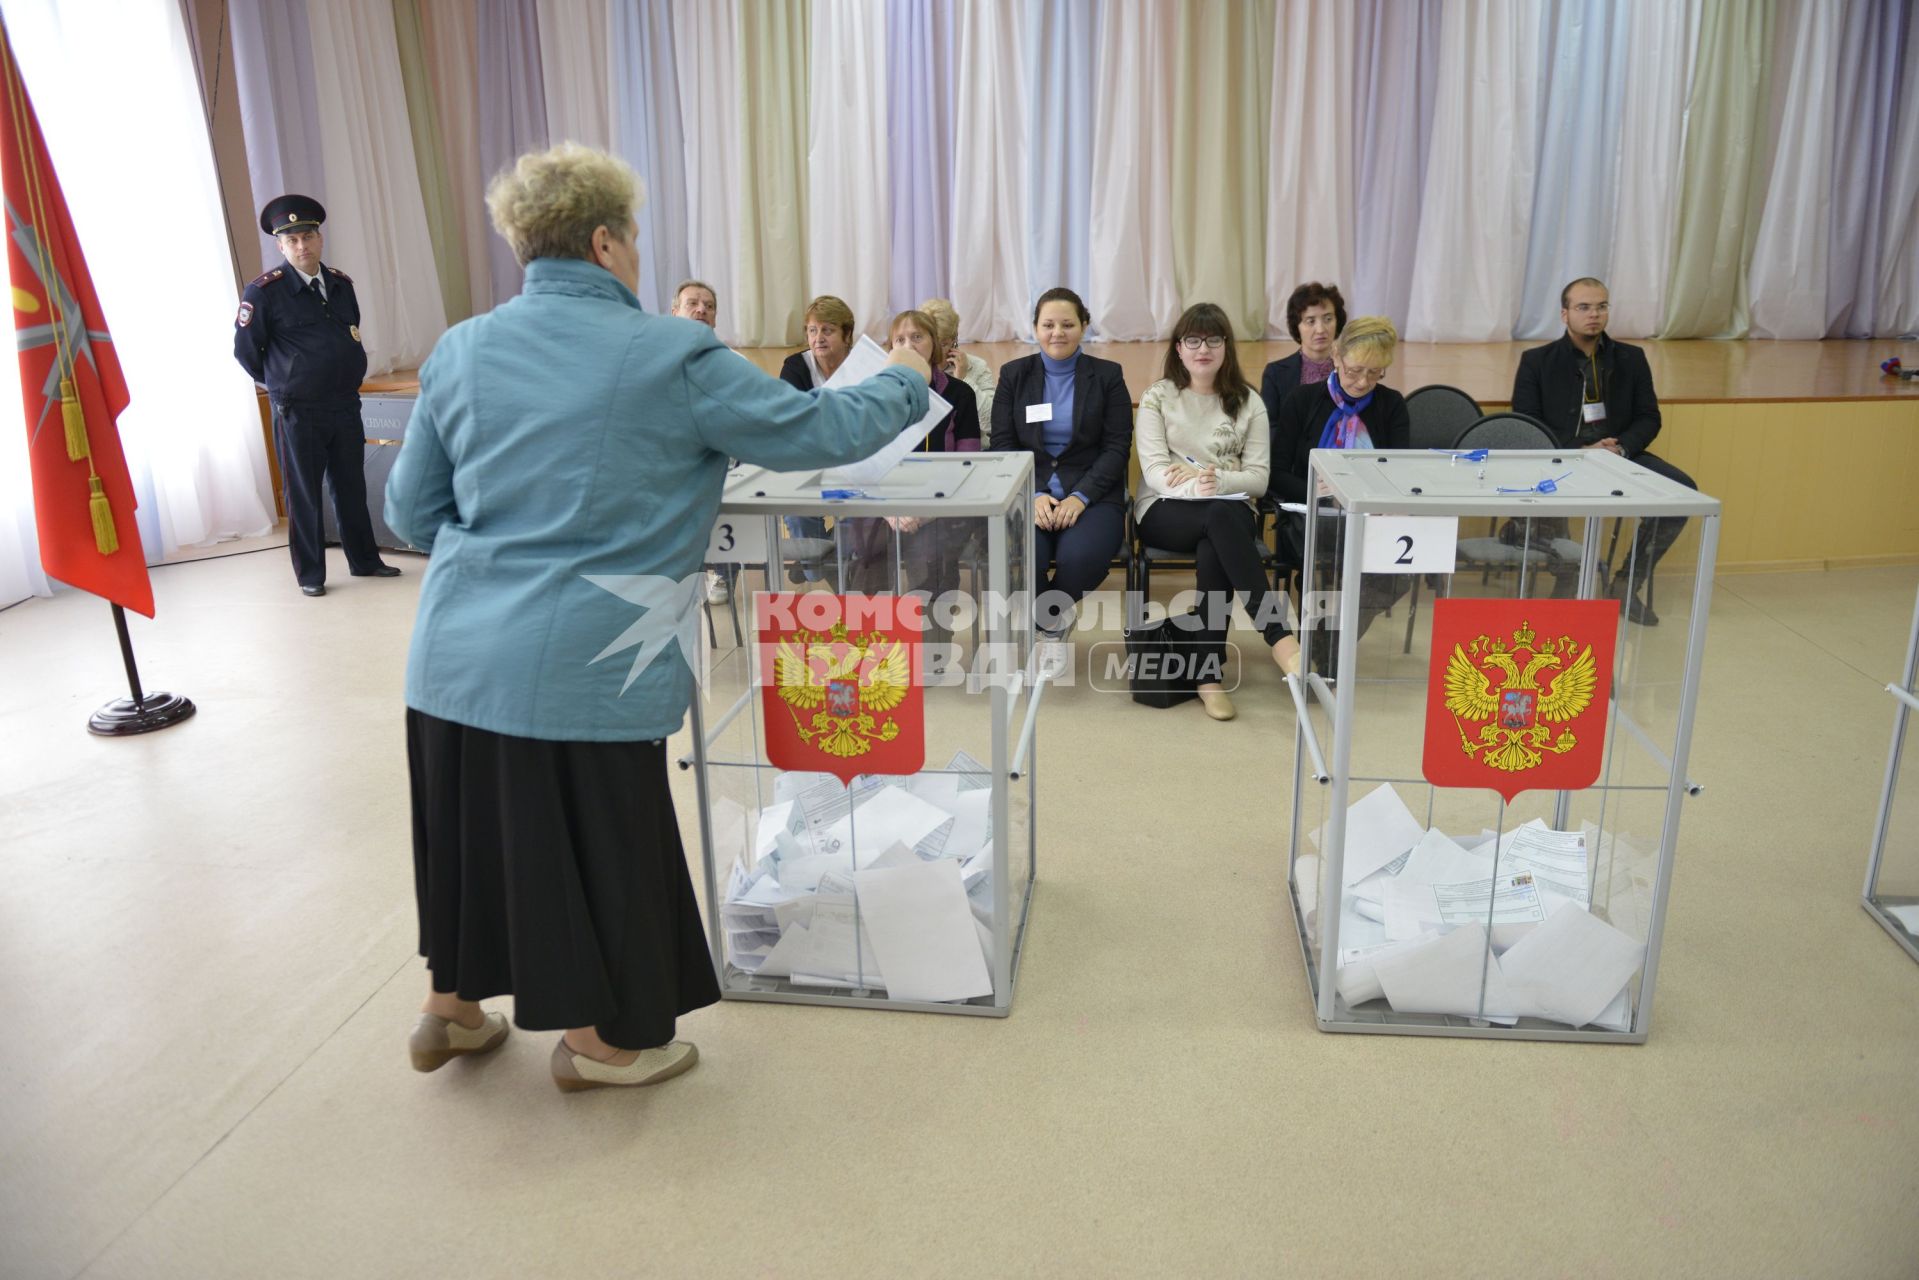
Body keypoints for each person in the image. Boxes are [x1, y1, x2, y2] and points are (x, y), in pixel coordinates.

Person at [384, 144, 930, 1092]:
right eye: (631, 237)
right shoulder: (672, 352)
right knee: (602, 845)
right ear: (605, 242)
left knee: (473, 827)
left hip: (452, 654)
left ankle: (454, 1006)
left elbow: (407, 513)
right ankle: (600, 1044)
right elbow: (820, 433)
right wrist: (909, 375)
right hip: (586, 662)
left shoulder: (461, 346)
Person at [1134, 303, 1298, 722]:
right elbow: (1155, 473)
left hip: (1229, 508)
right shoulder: (1158, 398)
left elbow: (1258, 479)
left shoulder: (1248, 403)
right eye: (1192, 340)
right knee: (1218, 522)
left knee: (1216, 541)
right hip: (1165, 509)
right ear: (1179, 347)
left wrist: (1217, 482)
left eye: (1213, 339)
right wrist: (1200, 482)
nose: (1202, 348)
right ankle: (1279, 638)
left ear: (1226, 346)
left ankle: (1208, 676)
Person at [233, 195, 401, 597]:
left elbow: (350, 332)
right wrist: (283, 384)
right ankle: (310, 574)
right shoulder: (263, 293)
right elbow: (244, 351)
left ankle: (364, 560)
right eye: (291, 241)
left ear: (320, 238)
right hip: (298, 411)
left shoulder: (341, 285)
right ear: (280, 246)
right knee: (305, 495)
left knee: (350, 486)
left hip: (344, 404)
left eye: (307, 236)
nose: (301, 246)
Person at [1512, 277, 1697, 625]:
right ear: (1564, 314)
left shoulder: (1631, 358)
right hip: (1561, 457)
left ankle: (1627, 585)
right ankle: (1567, 581)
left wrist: (1623, 448)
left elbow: (1648, 417)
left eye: (1601, 306)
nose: (1594, 314)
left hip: (1618, 455)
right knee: (1546, 497)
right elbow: (1527, 422)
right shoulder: (1537, 361)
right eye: (1584, 307)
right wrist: (1581, 449)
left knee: (1682, 492)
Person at [1270, 316, 1412, 671]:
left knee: (1398, 574)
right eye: (1355, 370)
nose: (1363, 382)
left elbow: (1398, 472)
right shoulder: (1302, 401)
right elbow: (1275, 472)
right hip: (1310, 515)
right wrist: (1312, 488)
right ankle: (1327, 658)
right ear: (1336, 356)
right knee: (1328, 562)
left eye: (1375, 373)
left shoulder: (1391, 405)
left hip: (1368, 516)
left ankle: (1325, 646)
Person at [989, 287, 1132, 636]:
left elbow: (1116, 447)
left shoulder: (1108, 376)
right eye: (1048, 324)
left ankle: (1046, 619)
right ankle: (1053, 623)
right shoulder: (1013, 375)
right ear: (1036, 328)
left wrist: (1080, 496)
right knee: (1023, 558)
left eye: (1067, 324)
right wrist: (1034, 493)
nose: (1057, 333)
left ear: (1083, 326)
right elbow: (1004, 444)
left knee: (1079, 559)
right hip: (1027, 492)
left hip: (1092, 494)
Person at [842, 311, 981, 633]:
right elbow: (862, 462)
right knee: (867, 554)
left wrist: (926, 511)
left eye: (917, 337)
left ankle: (930, 656)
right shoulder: (874, 395)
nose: (908, 345)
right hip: (884, 504)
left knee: (930, 558)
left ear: (934, 345)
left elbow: (969, 462)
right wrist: (891, 509)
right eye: (900, 340)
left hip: (941, 507)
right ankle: (870, 654)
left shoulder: (960, 394)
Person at [776, 296, 856, 580]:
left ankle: (829, 558)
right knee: (798, 516)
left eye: (828, 330)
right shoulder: (796, 367)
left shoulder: (865, 366)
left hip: (859, 460)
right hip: (808, 460)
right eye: (812, 330)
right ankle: (820, 562)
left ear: (847, 335)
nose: (818, 338)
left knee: (862, 518)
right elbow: (792, 423)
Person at [667, 279, 733, 605]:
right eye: (692, 303)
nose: (701, 310)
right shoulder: (656, 361)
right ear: (675, 311)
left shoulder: (733, 363)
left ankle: (720, 573)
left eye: (709, 306)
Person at [1259, 281, 1346, 429]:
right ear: (1296, 326)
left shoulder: (1352, 368)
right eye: (1310, 321)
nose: (1320, 329)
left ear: (1338, 321)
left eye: (1328, 319)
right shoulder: (1275, 373)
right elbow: (1268, 428)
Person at [918, 296, 995, 444]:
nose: (937, 352)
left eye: (944, 344)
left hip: (972, 449)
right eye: (933, 343)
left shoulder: (976, 366)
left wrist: (964, 380)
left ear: (955, 339)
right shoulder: (911, 369)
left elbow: (991, 422)